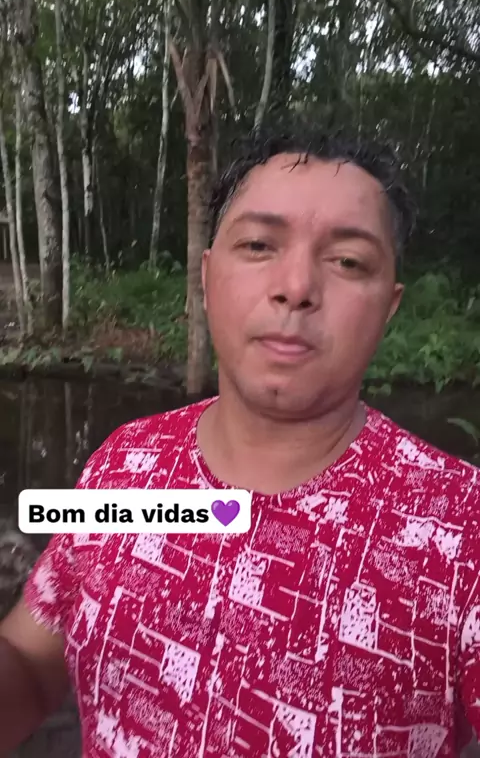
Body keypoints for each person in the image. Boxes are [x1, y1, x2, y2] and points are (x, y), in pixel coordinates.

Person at [1, 130, 479, 758]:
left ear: (388, 308)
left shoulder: (459, 523)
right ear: (207, 277)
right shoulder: (127, 463)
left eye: (348, 261)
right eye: (258, 245)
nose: (296, 286)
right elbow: (31, 660)